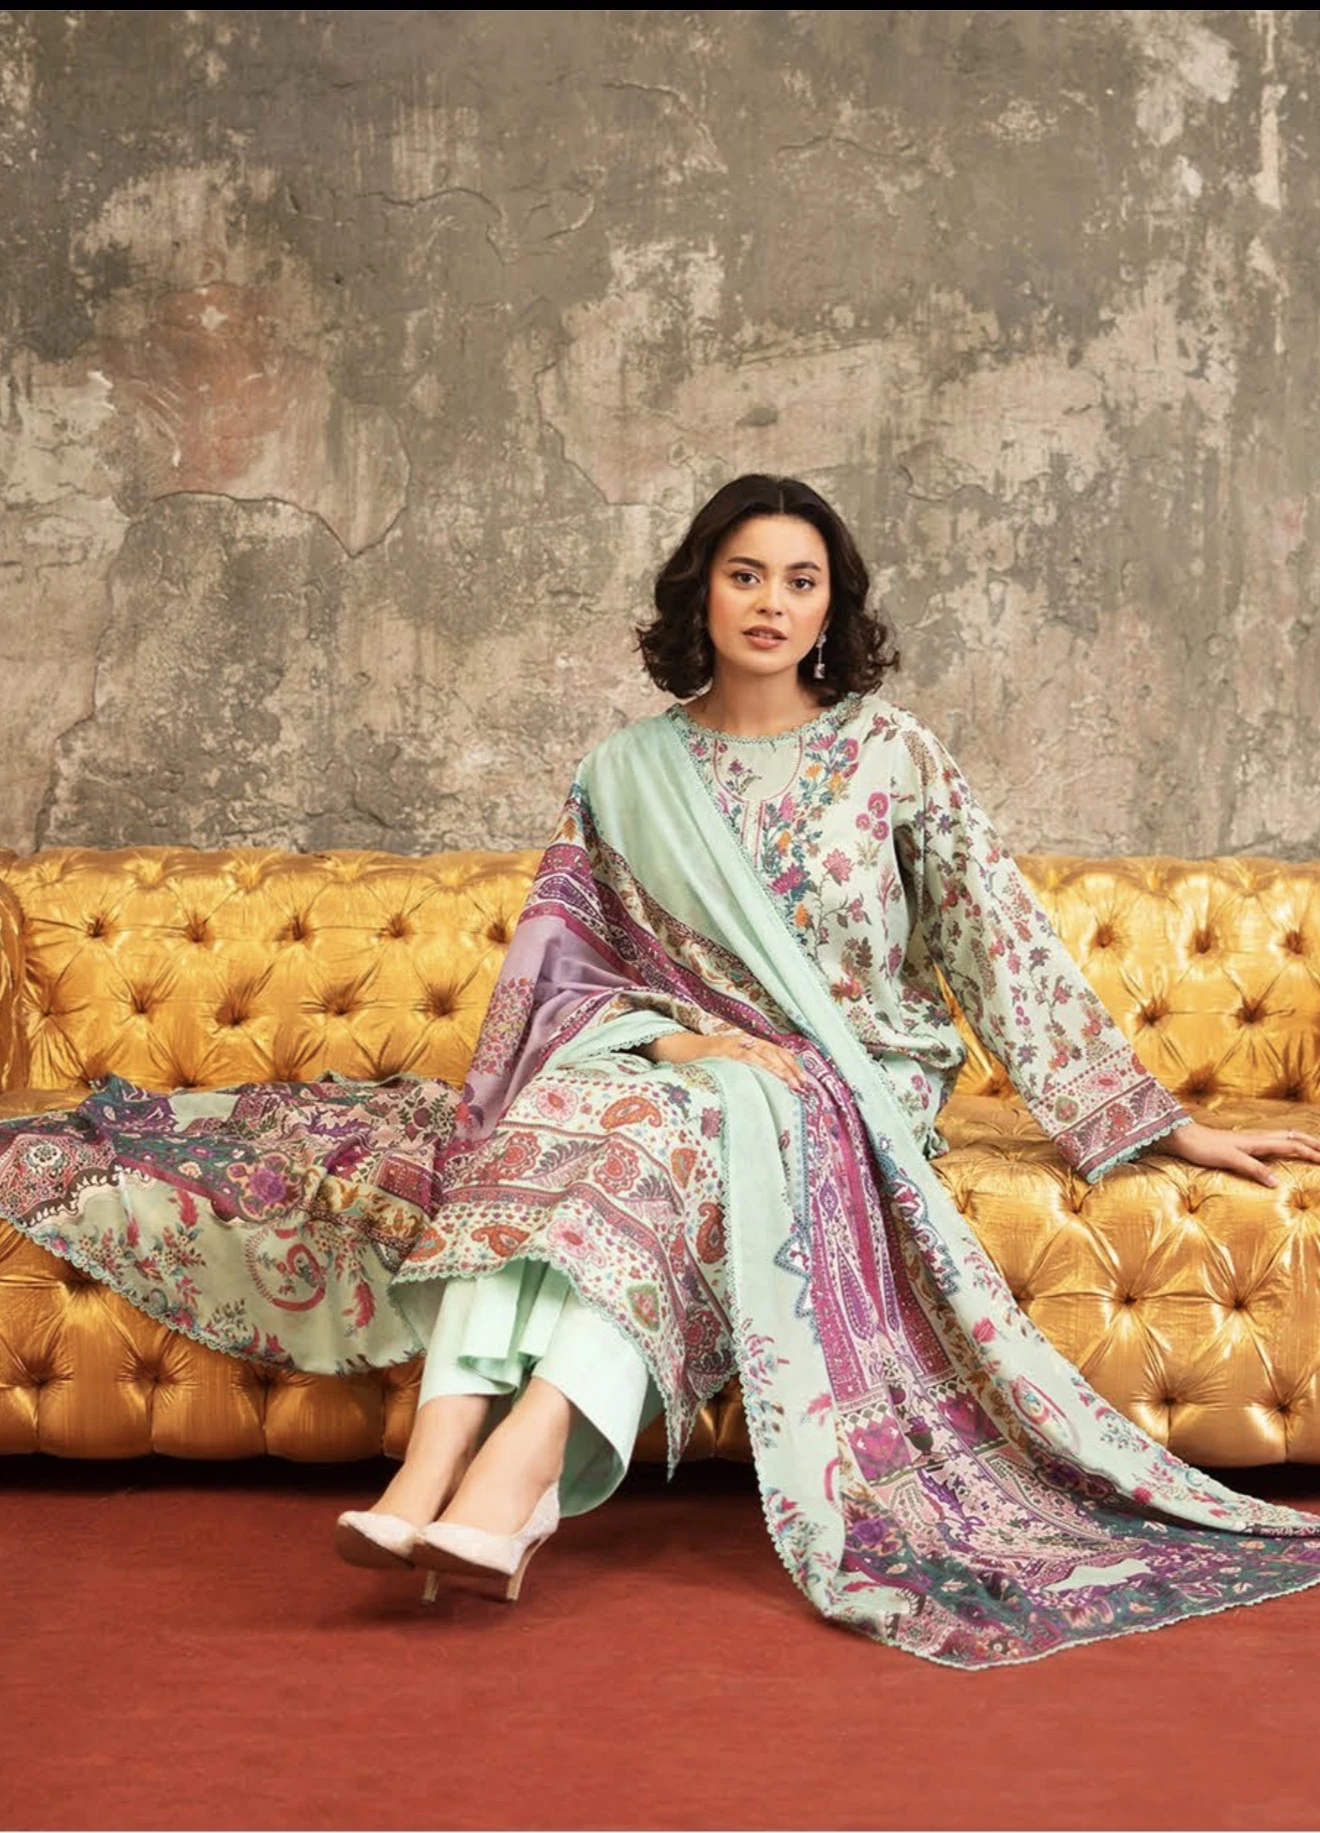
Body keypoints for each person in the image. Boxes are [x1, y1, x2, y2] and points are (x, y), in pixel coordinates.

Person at [4, 474, 1320, 1668]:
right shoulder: (624, 773)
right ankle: (433, 1475)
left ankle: (507, 1469)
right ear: (703, 590)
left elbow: (1000, 949)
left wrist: (1158, 1125)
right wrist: (676, 1039)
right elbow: (561, 983)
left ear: (833, 608)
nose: (772, 602)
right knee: (584, 1111)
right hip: (664, 1062)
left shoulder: (892, 758)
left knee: (665, 1122)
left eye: (801, 580)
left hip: (847, 1076)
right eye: (747, 574)